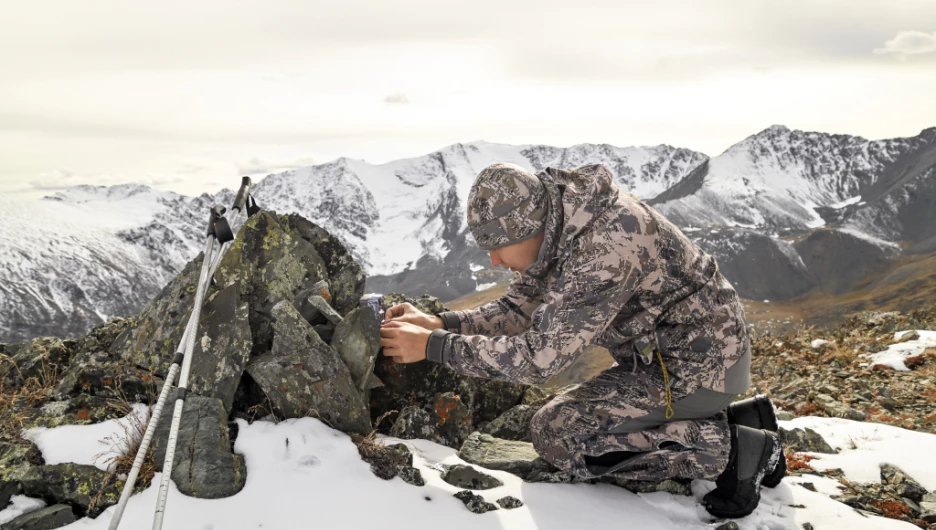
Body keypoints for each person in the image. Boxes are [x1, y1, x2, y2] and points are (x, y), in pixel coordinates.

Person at [378, 162, 785, 519]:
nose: (495, 261)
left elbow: (540, 360)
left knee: (559, 433)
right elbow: (520, 311)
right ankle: (746, 418)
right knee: (568, 419)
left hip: (699, 370)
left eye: (499, 247)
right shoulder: (561, 222)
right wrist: (440, 322)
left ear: (531, 226)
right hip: (667, 362)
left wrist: (433, 347)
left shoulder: (604, 248)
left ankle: (734, 450)